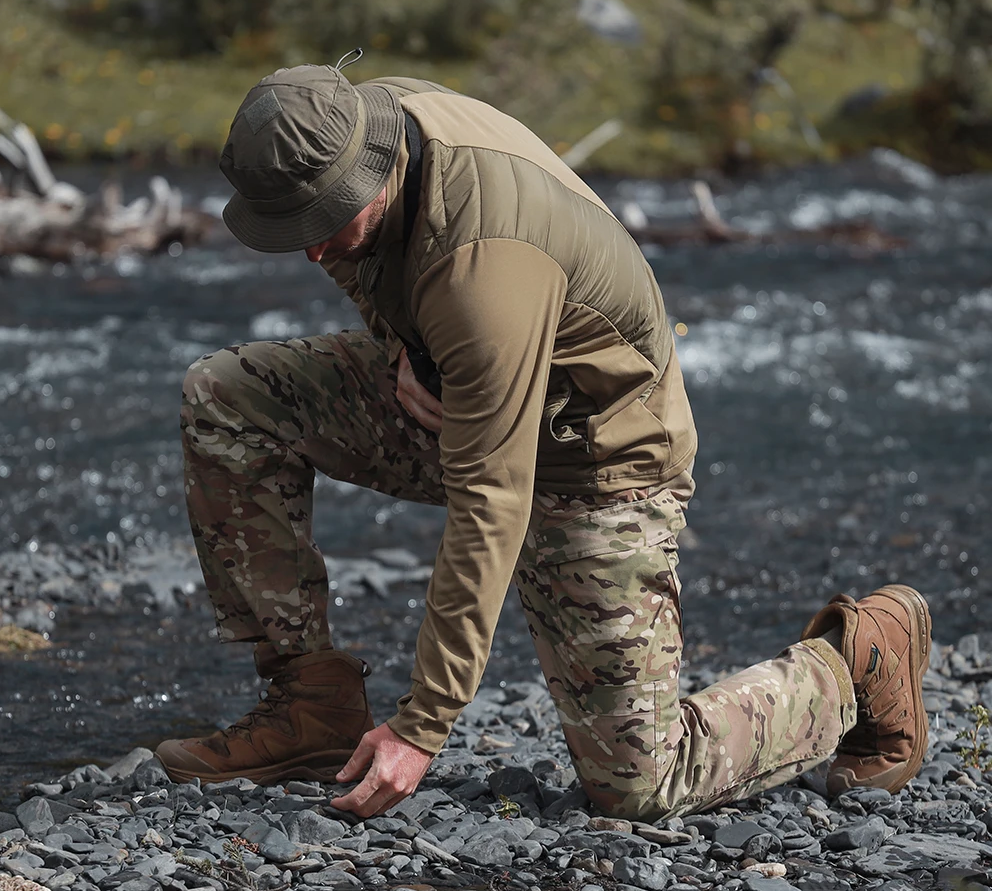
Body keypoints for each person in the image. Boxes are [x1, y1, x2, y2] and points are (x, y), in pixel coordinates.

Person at [155, 64, 932, 819]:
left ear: (374, 168)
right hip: (471, 387)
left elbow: (491, 502)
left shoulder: (481, 270)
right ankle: (311, 703)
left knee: (640, 784)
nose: (314, 251)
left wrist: (422, 727)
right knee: (230, 397)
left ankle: (858, 659)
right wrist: (406, 352)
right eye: (294, 229)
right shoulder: (373, 122)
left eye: (325, 223)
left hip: (599, 461)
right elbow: (385, 275)